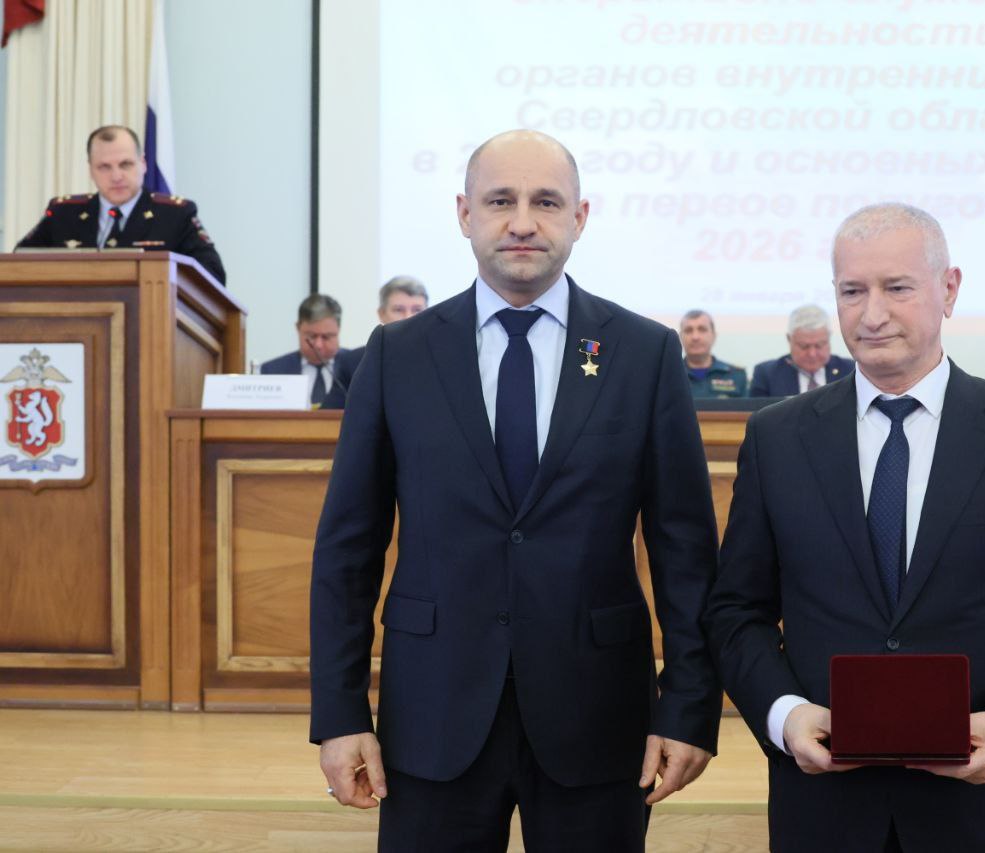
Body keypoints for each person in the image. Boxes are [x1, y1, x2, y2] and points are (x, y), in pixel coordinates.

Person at [309, 130, 722, 852]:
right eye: (501, 201)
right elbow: (349, 547)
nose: (523, 222)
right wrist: (341, 712)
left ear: (580, 218)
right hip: (433, 714)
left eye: (546, 202)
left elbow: (684, 548)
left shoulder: (642, 353)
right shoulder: (397, 355)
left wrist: (688, 705)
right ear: (465, 213)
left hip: (599, 718)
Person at [702, 203, 985, 853]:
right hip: (826, 811)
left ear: (949, 289)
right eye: (852, 291)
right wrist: (785, 715)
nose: (871, 314)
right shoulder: (776, 437)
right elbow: (736, 611)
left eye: (897, 287)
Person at [16, 125, 226, 284]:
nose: (116, 176)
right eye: (104, 167)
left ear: (143, 164)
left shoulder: (176, 215)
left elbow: (213, 277)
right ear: (90, 170)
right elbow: (18, 267)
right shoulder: (63, 214)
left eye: (125, 164)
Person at [327, 276, 430, 408]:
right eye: (399, 310)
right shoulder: (353, 363)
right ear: (381, 314)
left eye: (417, 310)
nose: (408, 317)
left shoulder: (442, 359)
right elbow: (328, 415)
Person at [260, 294, 346, 409]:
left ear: (338, 329)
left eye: (326, 337)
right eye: (312, 336)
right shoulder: (272, 371)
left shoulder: (358, 367)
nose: (318, 345)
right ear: (298, 328)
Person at [750, 304, 855, 396]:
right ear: (789, 339)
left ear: (828, 338)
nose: (812, 354)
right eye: (804, 346)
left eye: (819, 345)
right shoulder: (767, 374)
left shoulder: (850, 370)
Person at [679, 309, 747, 398]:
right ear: (681, 337)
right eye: (688, 331)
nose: (695, 337)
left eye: (702, 330)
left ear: (714, 336)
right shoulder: (670, 375)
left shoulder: (736, 375)